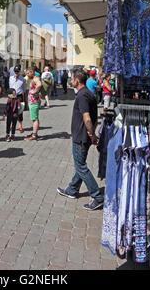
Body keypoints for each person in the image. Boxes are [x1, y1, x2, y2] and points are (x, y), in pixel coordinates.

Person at [57, 69, 104, 211]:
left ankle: (97, 196)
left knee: (81, 167)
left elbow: (88, 117)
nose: (71, 81)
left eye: (72, 78)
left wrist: (91, 134)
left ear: (77, 80)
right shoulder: (89, 94)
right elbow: (95, 117)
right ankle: (72, 190)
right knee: (80, 164)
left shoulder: (82, 96)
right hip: (85, 136)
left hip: (81, 136)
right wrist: (92, 134)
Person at [25, 68, 42, 141]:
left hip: (34, 102)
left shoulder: (36, 79)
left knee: (35, 119)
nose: (27, 75)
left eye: (28, 73)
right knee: (34, 118)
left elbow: (39, 85)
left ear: (32, 72)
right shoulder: (34, 78)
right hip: (33, 101)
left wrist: (34, 91)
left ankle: (34, 135)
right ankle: (34, 133)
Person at [9, 66, 27, 133]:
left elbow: (24, 89)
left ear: (19, 71)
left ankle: (20, 126)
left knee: (20, 111)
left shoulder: (23, 79)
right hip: (11, 96)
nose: (16, 72)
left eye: (17, 71)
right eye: (15, 71)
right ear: (14, 71)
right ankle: (11, 125)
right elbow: (10, 86)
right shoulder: (10, 78)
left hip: (19, 96)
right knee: (11, 111)